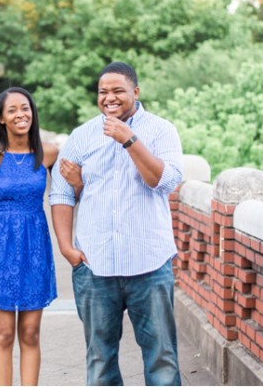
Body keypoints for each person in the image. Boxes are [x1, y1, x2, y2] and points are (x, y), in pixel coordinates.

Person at [50, 61, 184, 386]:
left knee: (162, 359)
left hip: (149, 266)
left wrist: (130, 140)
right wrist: (68, 249)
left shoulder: (160, 130)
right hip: (95, 267)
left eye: (118, 91)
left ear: (135, 92)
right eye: (103, 92)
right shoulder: (81, 136)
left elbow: (166, 183)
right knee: (100, 361)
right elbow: (61, 194)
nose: (109, 97)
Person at [0, 87, 79, 386]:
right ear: (1, 118)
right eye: (13, 110)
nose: (21, 114)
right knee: (3, 333)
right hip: (0, 248)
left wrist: (77, 181)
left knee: (30, 332)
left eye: (25, 108)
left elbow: (70, 194)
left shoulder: (48, 154)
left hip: (34, 248)